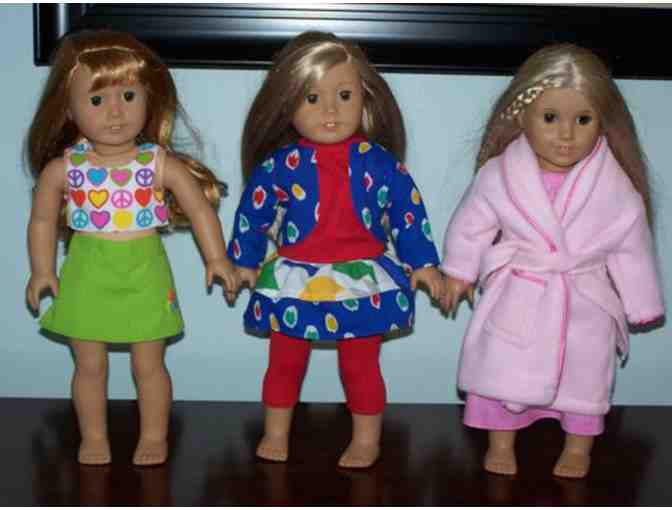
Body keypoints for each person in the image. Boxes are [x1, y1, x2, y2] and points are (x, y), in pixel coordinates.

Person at [441, 43, 664, 478]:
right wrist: (459, 271)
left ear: (603, 122)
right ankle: (501, 442)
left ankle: (578, 448)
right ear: (520, 116)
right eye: (550, 118)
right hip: (520, 291)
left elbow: (631, 246)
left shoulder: (614, 185)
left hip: (584, 299)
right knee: (501, 370)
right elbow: (471, 225)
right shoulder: (500, 174)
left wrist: (641, 302)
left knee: (584, 377)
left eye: (583, 120)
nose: (566, 134)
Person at [229, 31, 443, 468]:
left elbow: (407, 210)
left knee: (360, 365)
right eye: (312, 98)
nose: (330, 111)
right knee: (285, 361)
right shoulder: (281, 165)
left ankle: (366, 439)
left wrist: (422, 262)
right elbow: (253, 210)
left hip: (360, 277)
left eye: (344, 96)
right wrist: (245, 260)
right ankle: (275, 432)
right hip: (296, 276)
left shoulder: (379, 162)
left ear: (364, 99)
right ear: (287, 104)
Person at [25, 29, 239, 466]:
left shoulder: (157, 163)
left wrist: (217, 258)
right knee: (89, 365)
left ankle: (154, 436)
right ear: (69, 109)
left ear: (148, 99)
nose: (116, 112)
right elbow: (43, 221)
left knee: (149, 364)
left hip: (144, 271)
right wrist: (42, 270)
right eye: (97, 100)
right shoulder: (63, 169)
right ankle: (94, 437)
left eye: (128, 95)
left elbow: (199, 208)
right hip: (87, 271)